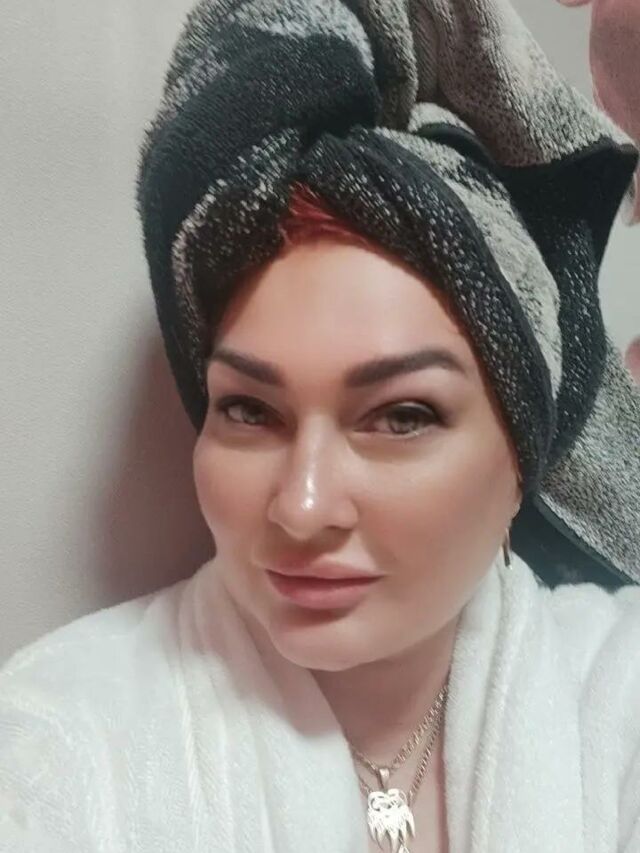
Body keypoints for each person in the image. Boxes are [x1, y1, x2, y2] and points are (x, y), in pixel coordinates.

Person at [1, 1, 640, 851]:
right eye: (249, 410)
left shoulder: (620, 696)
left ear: (522, 457)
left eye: (402, 416)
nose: (301, 507)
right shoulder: (61, 742)